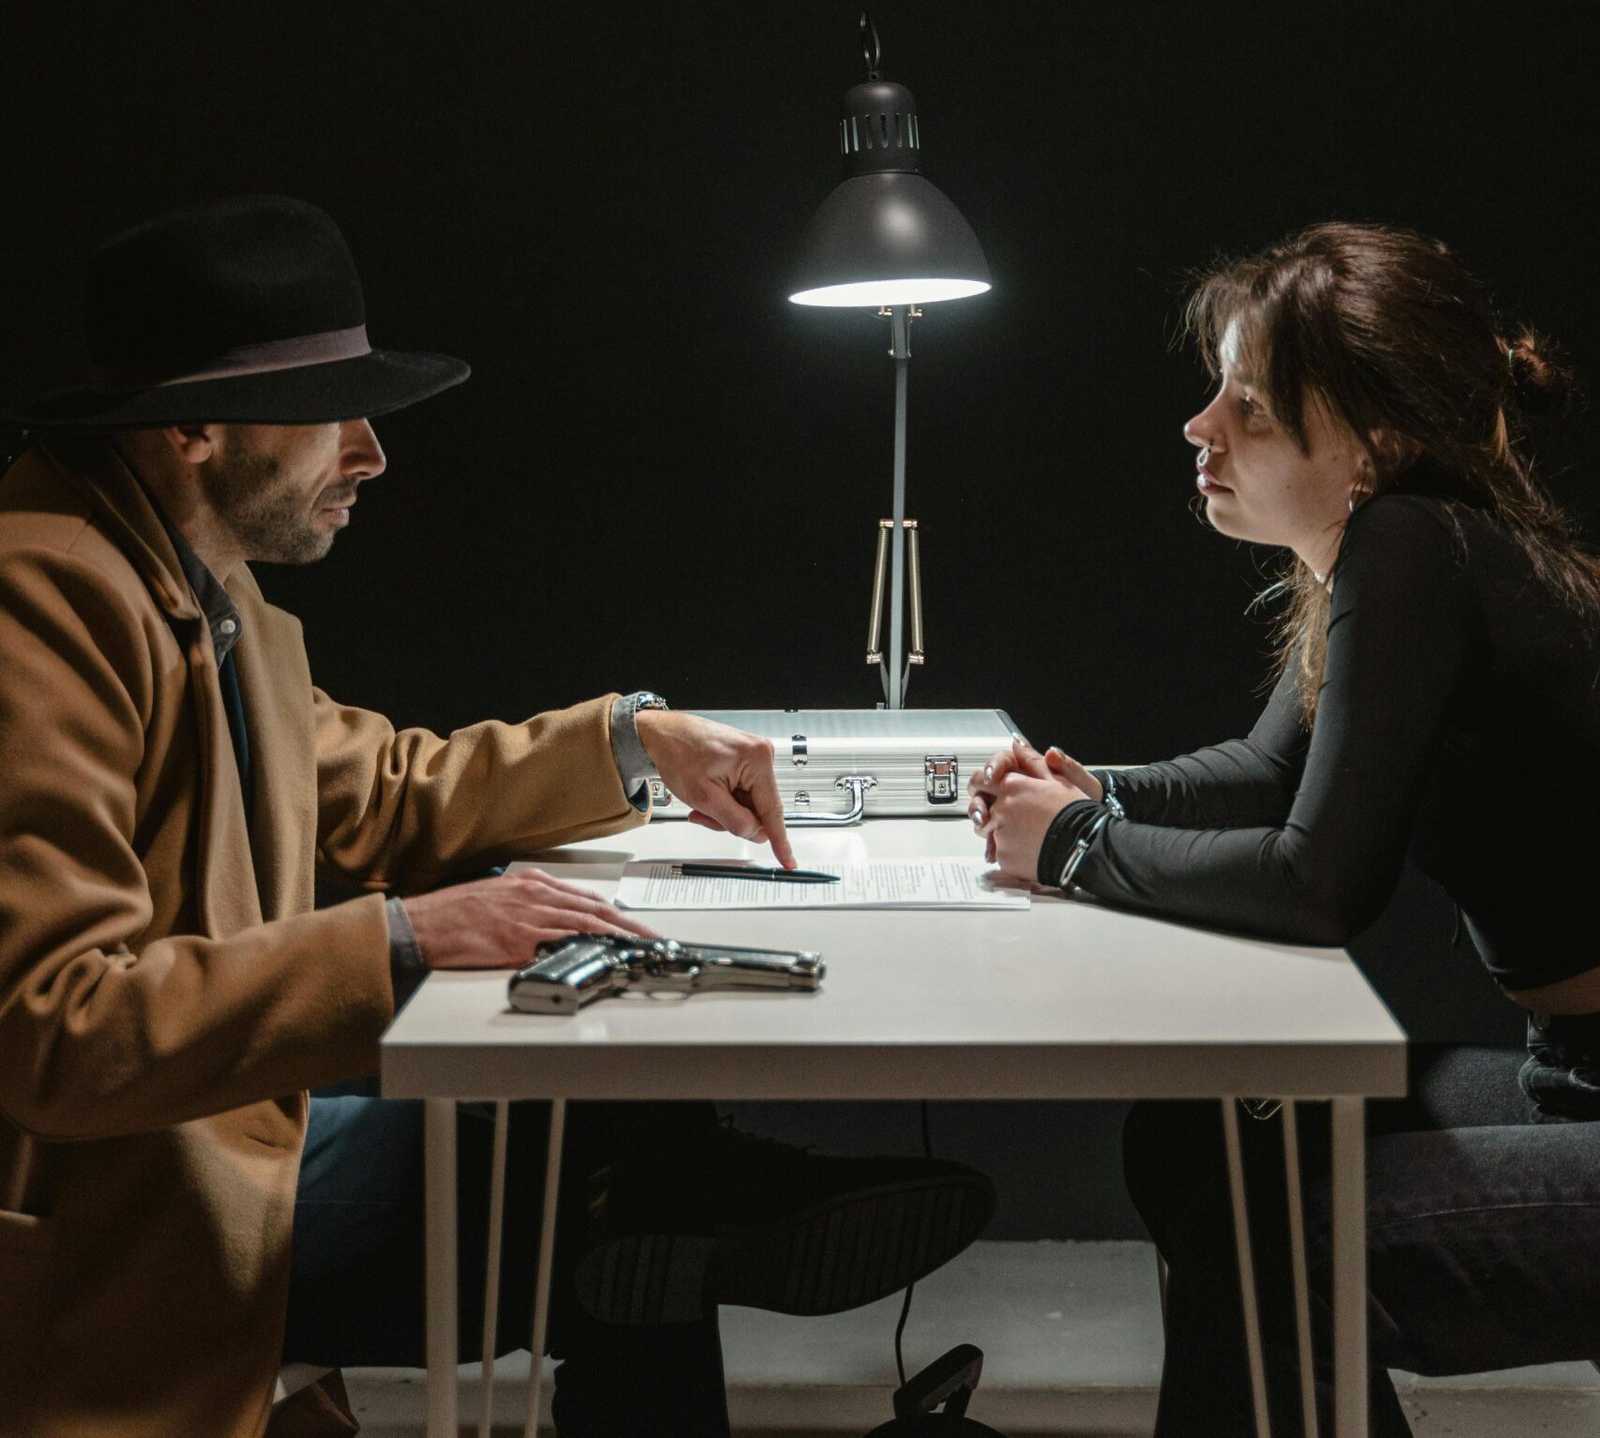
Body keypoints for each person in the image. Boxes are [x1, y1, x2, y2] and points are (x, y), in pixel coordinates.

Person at [0, 195, 991, 1438]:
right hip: (127, 1219)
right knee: (602, 1197)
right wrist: (404, 939)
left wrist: (632, 740)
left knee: (607, 1145)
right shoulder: (41, 603)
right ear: (195, 426)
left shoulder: (185, 574)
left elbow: (381, 783)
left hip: (214, 1146)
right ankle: (686, 1205)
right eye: (330, 415)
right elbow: (53, 1028)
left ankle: (688, 1201)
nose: (369, 452)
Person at [967, 221, 1600, 1436]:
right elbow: (1266, 774)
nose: (1201, 427)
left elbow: (1318, 883)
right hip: (1567, 1073)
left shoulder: (1413, 548)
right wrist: (1091, 790)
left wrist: (1069, 847)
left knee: (1285, 1247)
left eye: (1250, 406)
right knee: (1204, 1139)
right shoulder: (1411, 547)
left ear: (1379, 441)